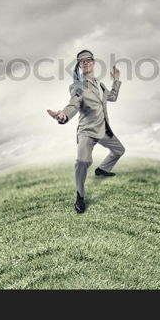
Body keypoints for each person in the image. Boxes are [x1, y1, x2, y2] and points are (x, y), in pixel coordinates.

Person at [47, 49, 125, 213]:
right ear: (79, 65)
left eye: (88, 59)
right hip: (87, 132)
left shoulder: (101, 85)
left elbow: (113, 97)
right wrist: (63, 115)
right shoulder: (78, 87)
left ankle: (102, 169)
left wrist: (116, 80)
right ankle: (80, 196)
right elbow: (73, 103)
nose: (86, 62)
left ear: (94, 62)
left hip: (104, 129)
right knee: (82, 162)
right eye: (82, 61)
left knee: (119, 150)